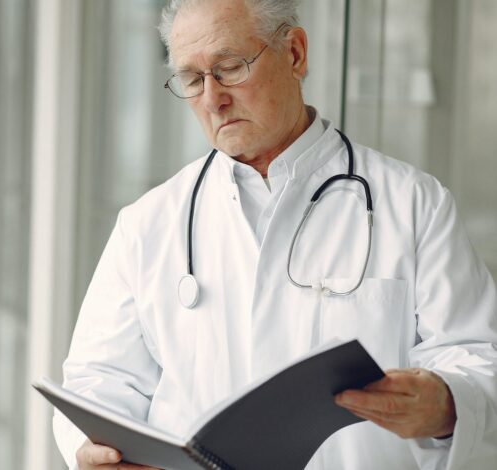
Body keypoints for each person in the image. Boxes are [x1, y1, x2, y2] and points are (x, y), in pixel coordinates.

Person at [53, 0, 497, 468]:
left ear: (295, 53)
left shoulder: (414, 203)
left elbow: (476, 355)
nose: (211, 99)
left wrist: (446, 401)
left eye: (229, 68)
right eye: (191, 79)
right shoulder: (147, 223)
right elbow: (98, 379)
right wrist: (92, 450)